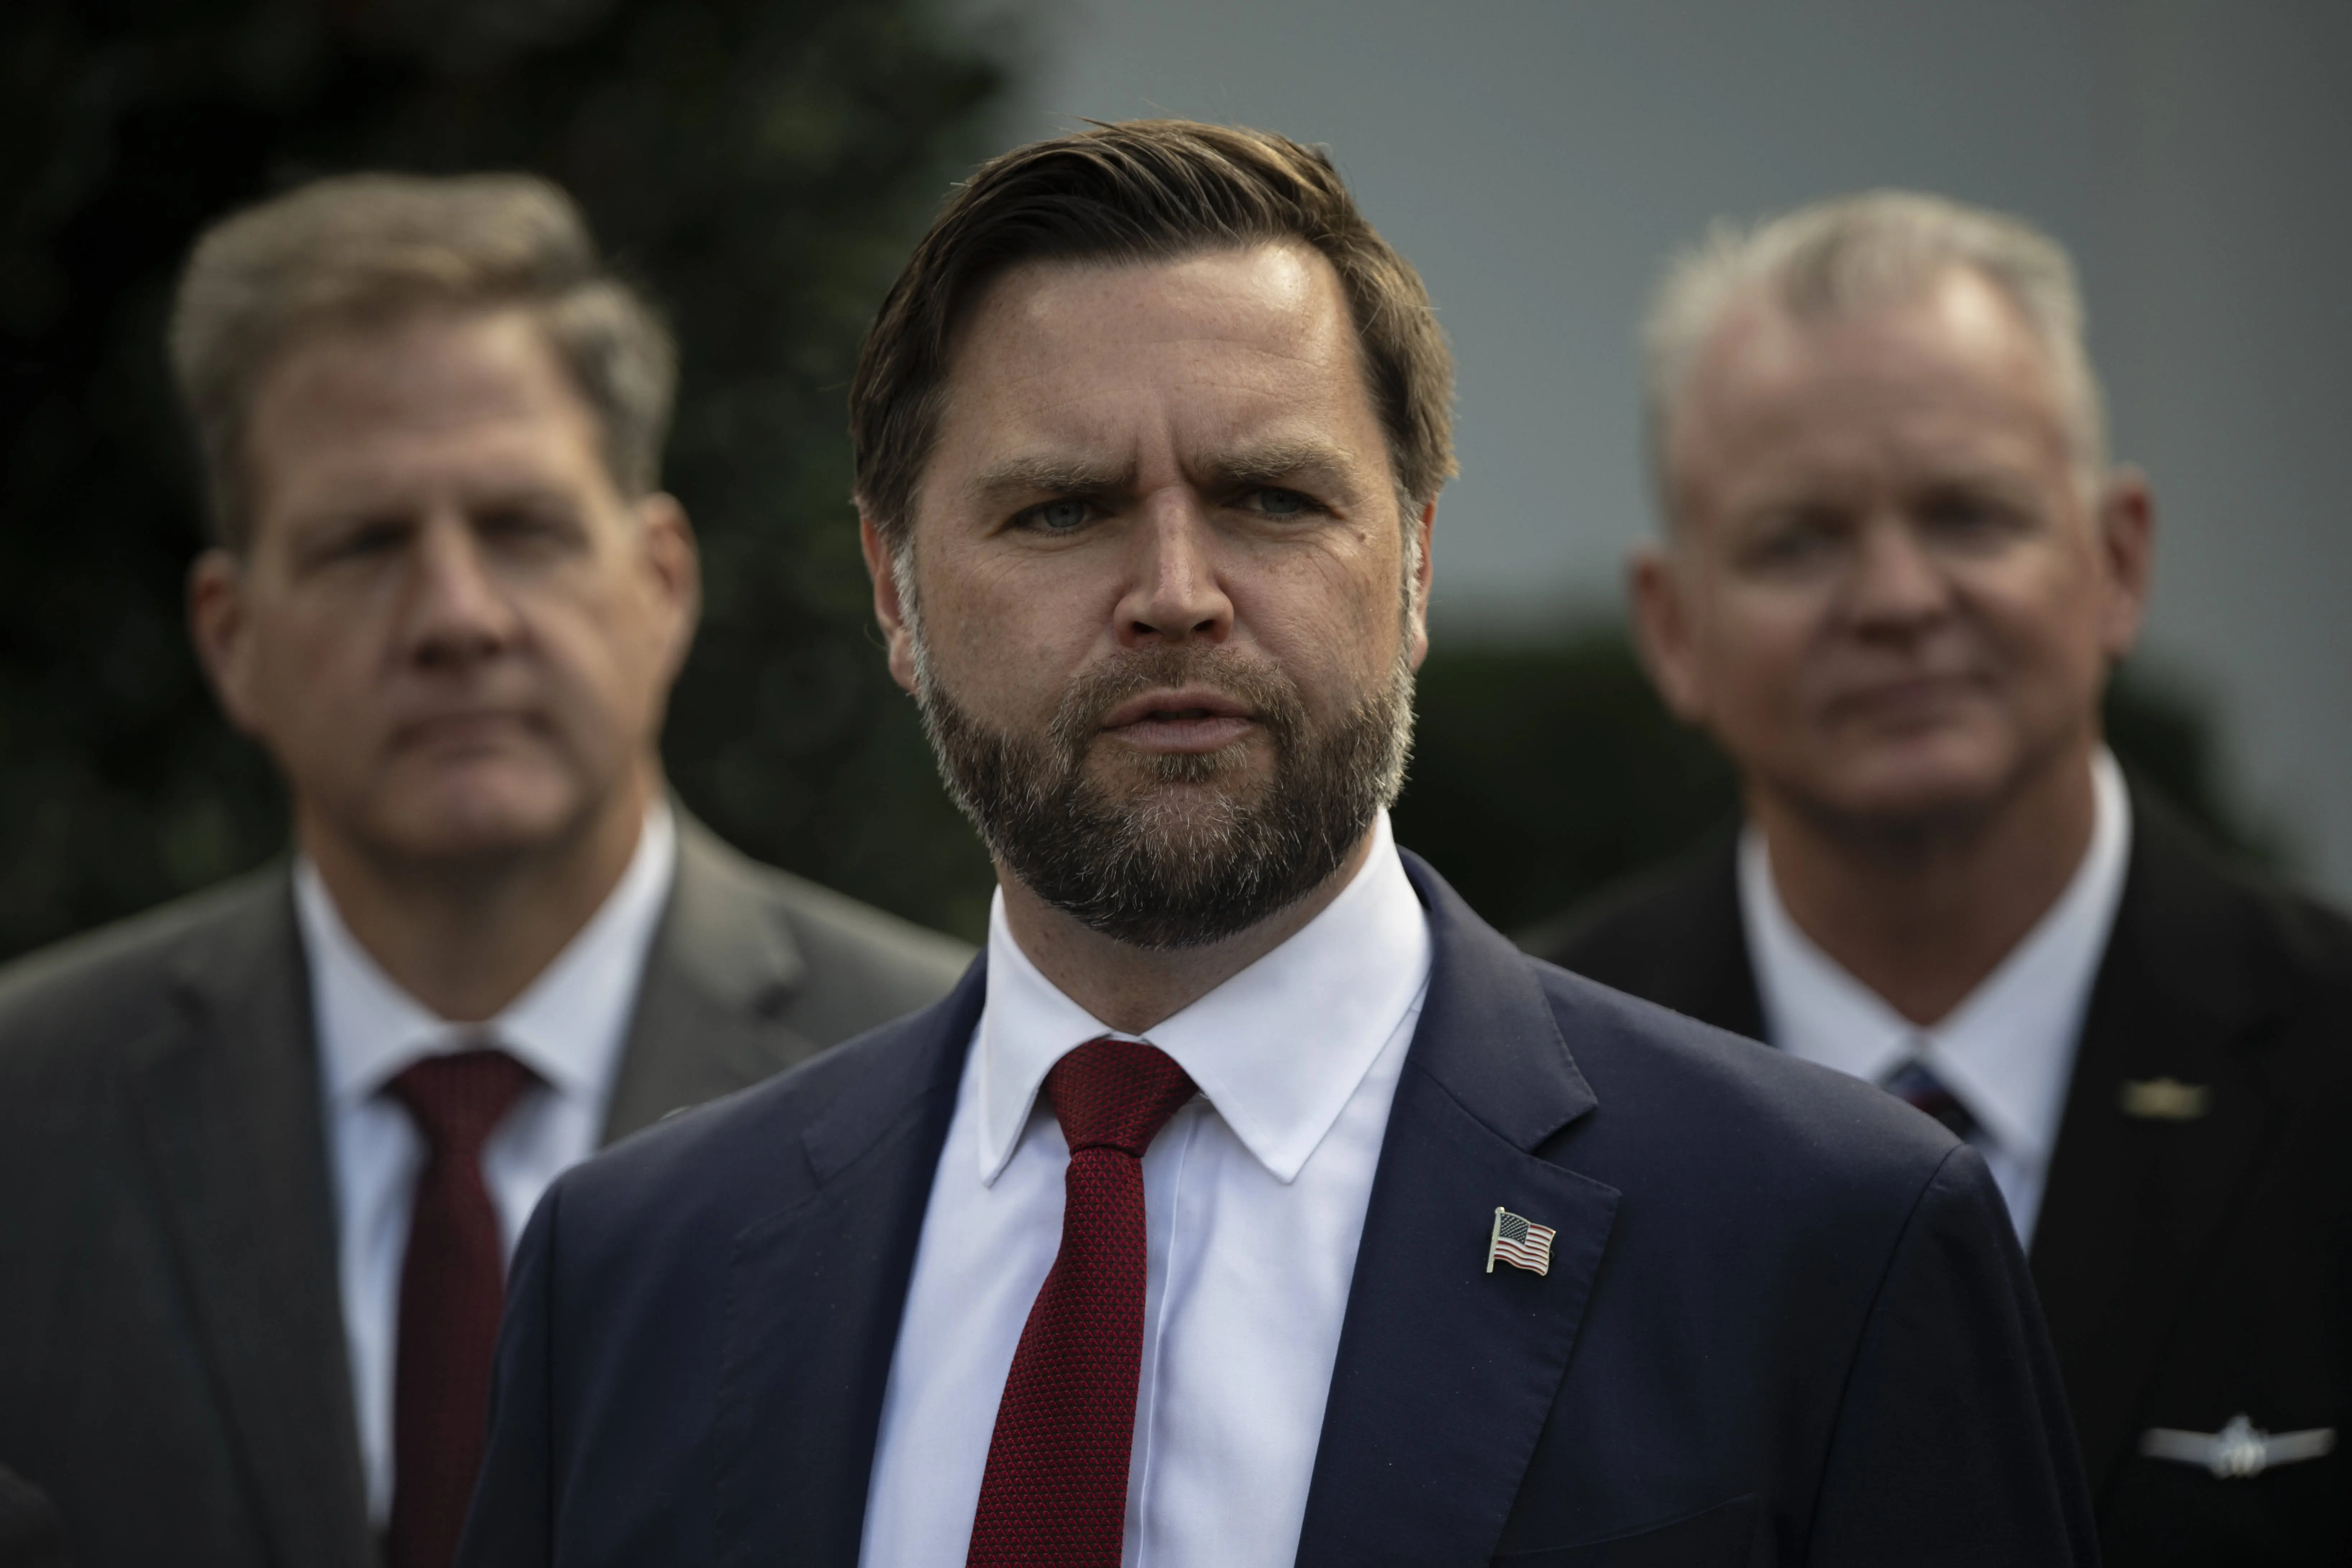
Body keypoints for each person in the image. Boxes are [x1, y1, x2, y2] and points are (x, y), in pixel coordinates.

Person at [459, 124, 2096, 1568]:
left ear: (1415, 563)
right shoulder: (633, 1279)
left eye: (1266, 496)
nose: (1175, 586)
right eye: (1061, 509)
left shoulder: (1828, 1242)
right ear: (894, 591)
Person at [0, 173, 971, 1568]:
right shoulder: (29, 1112)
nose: (455, 616)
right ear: (231, 637)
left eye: (521, 527)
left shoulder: (966, 1087)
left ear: (660, 584)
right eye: (362, 542)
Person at [1529, 191, 2352, 1563]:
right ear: (1672, 629)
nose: (1898, 598)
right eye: (1797, 540)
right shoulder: (1523, 1096)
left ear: (2117, 560)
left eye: (1969, 515)